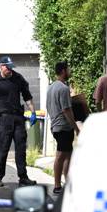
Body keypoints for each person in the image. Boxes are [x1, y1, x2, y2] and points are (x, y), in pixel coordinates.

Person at [0, 56, 38, 187]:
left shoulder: (18, 78)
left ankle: (23, 177)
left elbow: (27, 97)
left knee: (21, 148)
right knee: (2, 148)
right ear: (1, 66)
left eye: (11, 67)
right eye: (7, 67)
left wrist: (33, 112)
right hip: (4, 119)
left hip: (18, 118)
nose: (10, 69)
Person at [46, 61, 79, 194]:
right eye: (68, 69)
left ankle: (67, 183)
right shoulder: (63, 88)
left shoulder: (51, 87)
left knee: (67, 155)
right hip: (63, 127)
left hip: (56, 125)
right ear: (63, 71)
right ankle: (57, 185)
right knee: (61, 155)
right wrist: (76, 127)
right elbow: (66, 110)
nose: (70, 72)